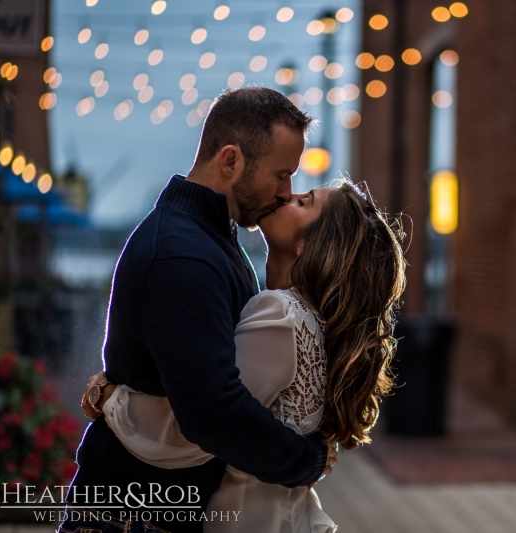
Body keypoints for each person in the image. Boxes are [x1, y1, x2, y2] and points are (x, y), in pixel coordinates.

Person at [60, 88, 339, 533]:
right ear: (230, 162)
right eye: (281, 175)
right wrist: (307, 461)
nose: (287, 193)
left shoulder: (211, 237)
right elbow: (212, 410)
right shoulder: (181, 255)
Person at [80, 178, 406, 532]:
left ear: (308, 245)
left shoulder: (280, 314)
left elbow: (195, 430)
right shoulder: (309, 319)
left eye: (304, 200)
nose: (287, 193)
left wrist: (112, 398)